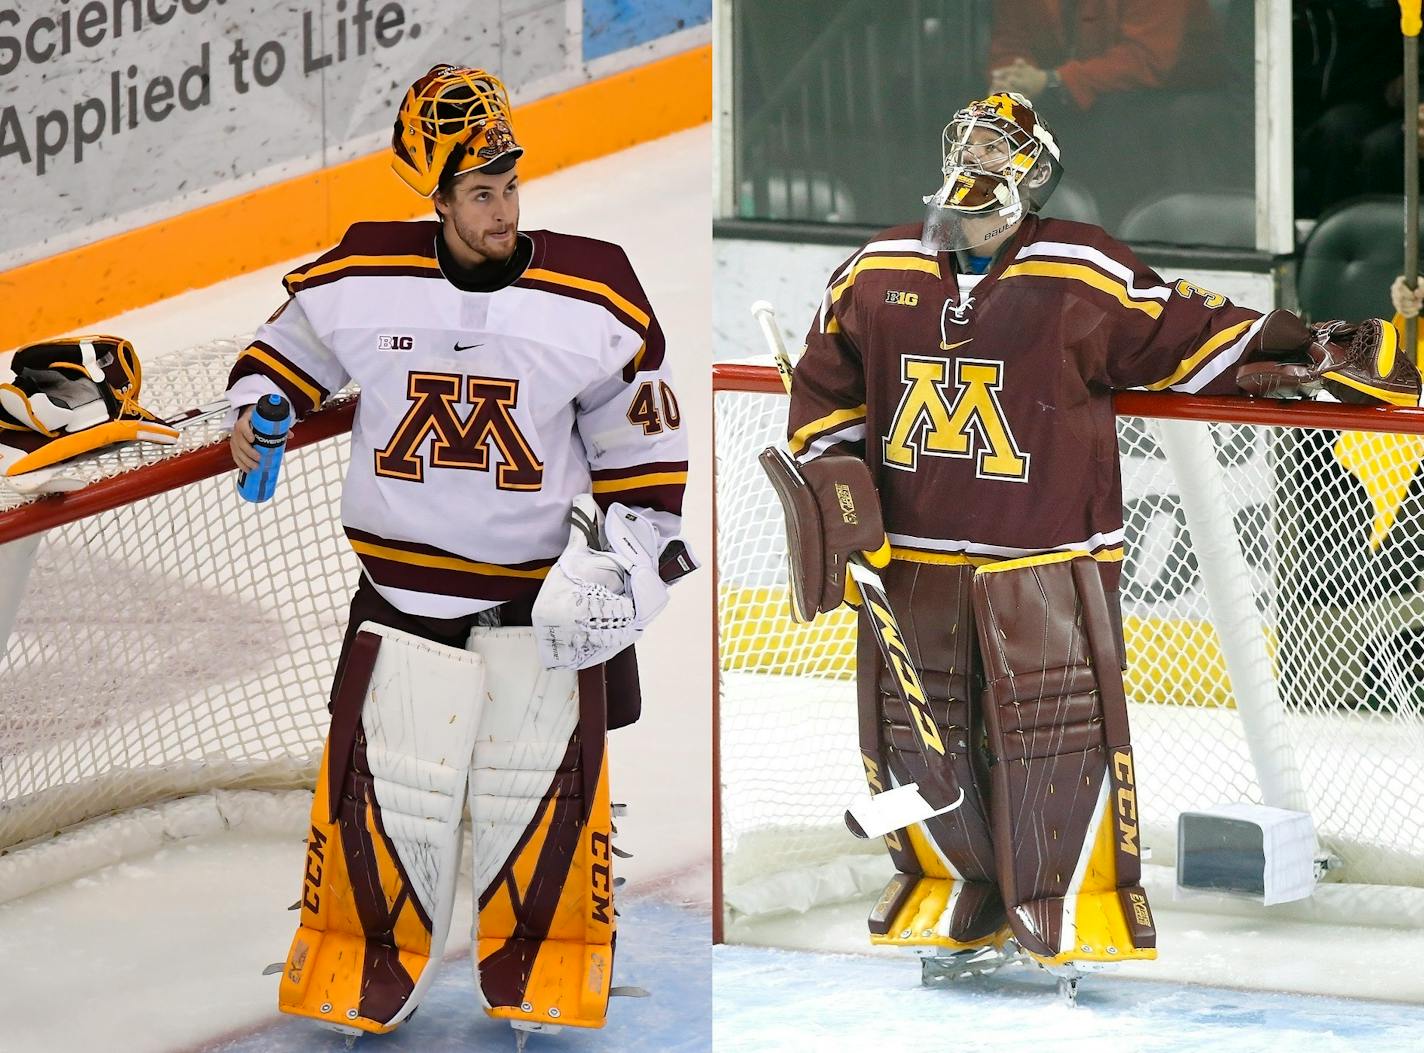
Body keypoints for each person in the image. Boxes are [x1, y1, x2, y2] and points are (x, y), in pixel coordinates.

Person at [777, 91, 1418, 992]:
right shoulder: (874, 271)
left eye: (990, 194)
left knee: (1056, 742)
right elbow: (822, 396)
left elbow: (1202, 336)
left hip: (1043, 561)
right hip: (911, 560)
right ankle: (946, 891)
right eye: (961, 191)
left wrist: (1320, 346)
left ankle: (1069, 903)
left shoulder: (1080, 270)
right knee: (917, 737)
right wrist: (836, 484)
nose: (969, 214)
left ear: (1027, 189)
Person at [226, 64, 692, 1040]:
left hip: (532, 603)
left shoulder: (592, 291)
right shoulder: (362, 275)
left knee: (539, 793)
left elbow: (643, 446)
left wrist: (630, 555)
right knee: (385, 791)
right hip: (396, 597)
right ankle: (358, 956)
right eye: (480, 193)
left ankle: (549, 958)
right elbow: (282, 354)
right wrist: (257, 409)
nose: (503, 209)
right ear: (435, 201)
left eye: (510, 187)